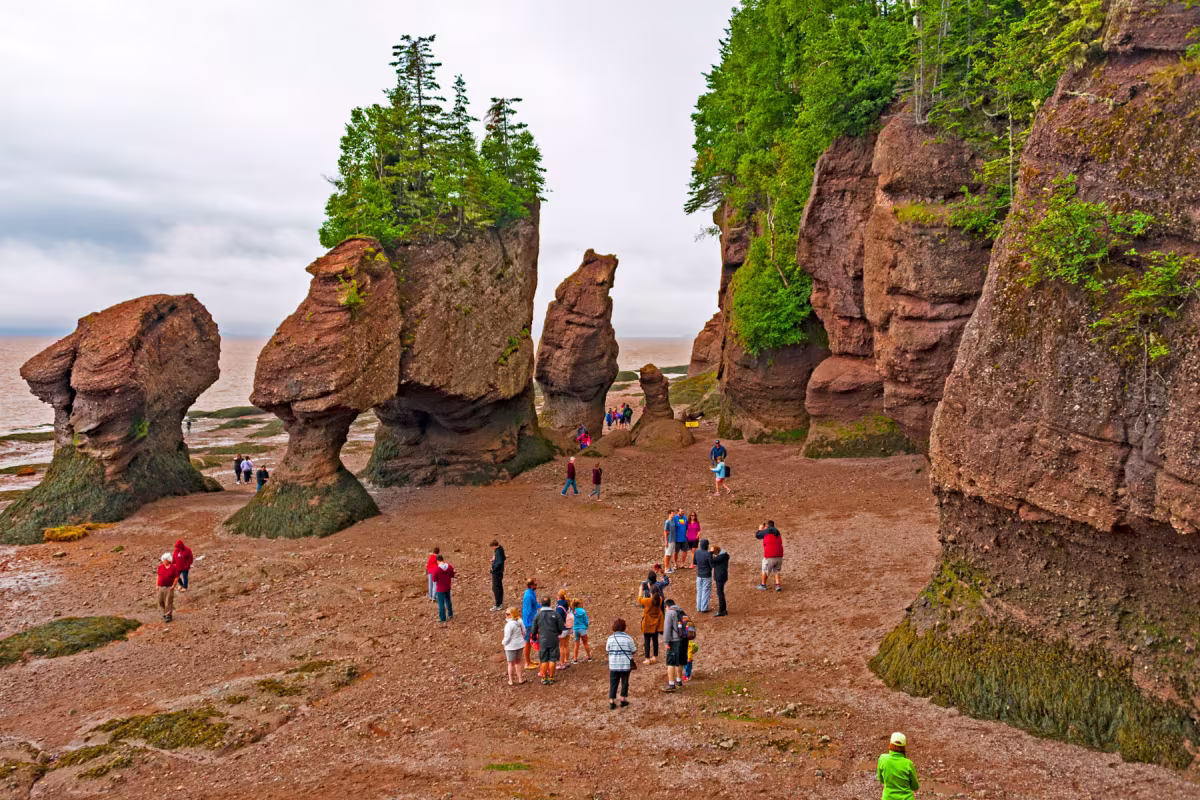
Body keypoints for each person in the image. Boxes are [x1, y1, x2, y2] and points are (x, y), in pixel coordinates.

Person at [605, 618, 638, 710]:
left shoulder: (610, 638)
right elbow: (633, 650)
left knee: (613, 683)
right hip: (625, 665)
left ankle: (611, 701)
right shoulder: (628, 638)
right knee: (625, 682)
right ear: (624, 628)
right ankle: (623, 699)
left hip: (613, 665)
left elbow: (607, 650)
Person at [531, 596, 564, 685]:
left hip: (542, 640)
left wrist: (534, 637)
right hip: (553, 639)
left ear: (541, 604)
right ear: (550, 604)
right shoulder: (556, 614)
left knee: (544, 660)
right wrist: (557, 632)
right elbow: (561, 626)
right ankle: (551, 677)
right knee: (553, 659)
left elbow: (533, 628)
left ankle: (544, 678)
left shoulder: (538, 615)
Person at [877, 732, 920, 800]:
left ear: (890, 743)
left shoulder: (882, 759)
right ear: (904, 747)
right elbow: (915, 787)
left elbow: (881, 780)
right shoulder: (908, 763)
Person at [662, 598, 686, 692]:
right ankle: (679, 681)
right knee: (680, 661)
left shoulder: (669, 613)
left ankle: (671, 684)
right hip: (683, 640)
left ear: (667, 606)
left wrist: (666, 642)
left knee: (671, 662)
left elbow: (667, 628)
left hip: (674, 641)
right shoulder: (681, 611)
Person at [637, 585, 665, 664]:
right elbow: (655, 595)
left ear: (651, 593)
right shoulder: (660, 599)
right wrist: (651, 588)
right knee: (655, 640)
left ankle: (647, 659)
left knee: (647, 640)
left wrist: (640, 590)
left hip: (647, 623)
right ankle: (655, 657)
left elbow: (639, 599)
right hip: (656, 623)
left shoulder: (647, 601)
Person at [501, 607, 527, 686]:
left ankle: (511, 681)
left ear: (512, 615)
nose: (506, 615)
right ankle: (520, 679)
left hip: (511, 646)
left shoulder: (509, 625)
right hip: (519, 644)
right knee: (518, 661)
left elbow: (507, 637)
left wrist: (503, 643)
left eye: (508, 614)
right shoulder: (519, 621)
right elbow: (524, 631)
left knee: (510, 663)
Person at [756, 521, 784, 591]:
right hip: (779, 556)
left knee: (764, 570)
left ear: (767, 526)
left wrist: (760, 529)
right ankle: (778, 585)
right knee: (777, 570)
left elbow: (758, 535)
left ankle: (763, 585)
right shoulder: (777, 531)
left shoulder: (767, 531)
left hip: (770, 556)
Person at [521, 579, 540, 669]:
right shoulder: (528, 596)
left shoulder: (532, 592)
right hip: (529, 622)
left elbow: (535, 605)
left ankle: (529, 661)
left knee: (529, 641)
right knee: (527, 642)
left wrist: (544, 606)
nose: (536, 585)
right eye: (535, 584)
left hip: (532, 620)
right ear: (531, 585)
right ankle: (527, 663)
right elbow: (528, 611)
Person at [432, 554, 455, 622]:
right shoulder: (449, 566)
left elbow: (434, 579)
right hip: (447, 586)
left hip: (440, 588)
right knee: (448, 600)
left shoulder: (436, 569)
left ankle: (443, 618)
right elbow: (452, 575)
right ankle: (450, 614)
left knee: (441, 603)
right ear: (443, 559)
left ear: (437, 561)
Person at [156, 552, 178, 623]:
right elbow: (158, 576)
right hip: (161, 587)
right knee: (160, 601)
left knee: (168, 601)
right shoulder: (161, 567)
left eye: (165, 559)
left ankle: (168, 615)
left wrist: (173, 585)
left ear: (168, 560)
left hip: (169, 587)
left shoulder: (174, 567)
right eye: (163, 559)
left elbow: (176, 577)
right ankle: (165, 611)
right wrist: (157, 585)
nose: (163, 561)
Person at [711, 544, 730, 616]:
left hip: (720, 577)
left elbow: (711, 563)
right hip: (723, 576)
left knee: (720, 593)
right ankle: (723, 609)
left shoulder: (719, 558)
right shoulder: (725, 555)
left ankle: (721, 610)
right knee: (720, 592)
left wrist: (710, 554)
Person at [694, 539, 713, 612]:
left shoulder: (697, 552)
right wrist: (711, 554)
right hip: (707, 575)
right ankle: (704, 608)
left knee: (699, 591)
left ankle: (698, 607)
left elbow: (695, 562)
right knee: (706, 591)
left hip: (699, 574)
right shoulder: (708, 554)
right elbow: (711, 565)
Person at [556, 589, 573, 669]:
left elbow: (558, 618)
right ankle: (566, 661)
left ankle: (561, 663)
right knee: (566, 645)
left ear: (558, 596)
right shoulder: (568, 604)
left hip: (562, 628)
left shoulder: (559, 607)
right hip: (569, 627)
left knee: (561, 646)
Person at [489, 540, 506, 611]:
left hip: (496, 572)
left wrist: (493, 568)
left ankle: (498, 604)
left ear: (494, 546)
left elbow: (499, 562)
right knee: (499, 587)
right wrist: (494, 559)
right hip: (499, 572)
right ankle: (500, 603)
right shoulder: (500, 549)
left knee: (496, 588)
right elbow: (503, 558)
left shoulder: (498, 552)